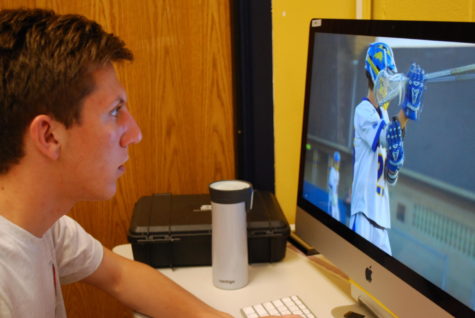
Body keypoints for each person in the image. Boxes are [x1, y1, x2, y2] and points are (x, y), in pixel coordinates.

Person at [0, 8, 300, 318]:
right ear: (49, 136)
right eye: (115, 112)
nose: (135, 133)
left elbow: (120, 275)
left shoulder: (43, 224)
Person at [349, 42, 425, 255]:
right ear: (373, 74)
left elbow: (390, 178)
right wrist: (408, 107)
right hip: (364, 211)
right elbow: (387, 136)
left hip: (381, 216)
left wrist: (393, 167)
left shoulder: (384, 114)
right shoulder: (363, 111)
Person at [327, 151, 341, 222]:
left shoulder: (338, 172)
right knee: (332, 213)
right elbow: (330, 185)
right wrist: (333, 196)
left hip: (335, 196)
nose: (337, 163)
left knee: (337, 216)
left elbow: (337, 185)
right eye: (336, 162)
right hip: (332, 197)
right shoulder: (332, 171)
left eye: (338, 162)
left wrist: (336, 195)